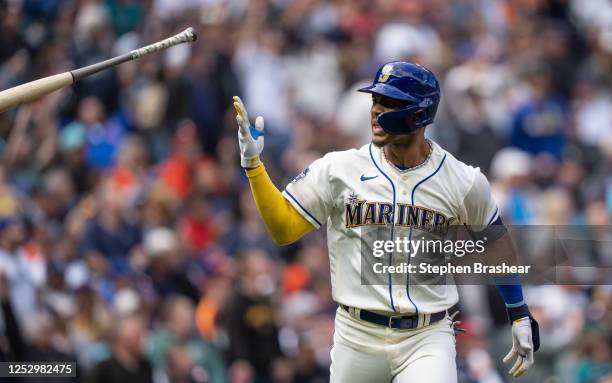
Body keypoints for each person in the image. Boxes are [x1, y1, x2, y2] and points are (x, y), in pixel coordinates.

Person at [233, 61, 540, 382]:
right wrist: (254, 166)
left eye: (390, 103)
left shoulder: (463, 180)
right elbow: (283, 230)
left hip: (427, 336)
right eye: (375, 101)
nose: (376, 111)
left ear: (419, 113)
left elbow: (497, 243)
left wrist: (518, 313)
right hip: (356, 336)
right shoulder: (338, 169)